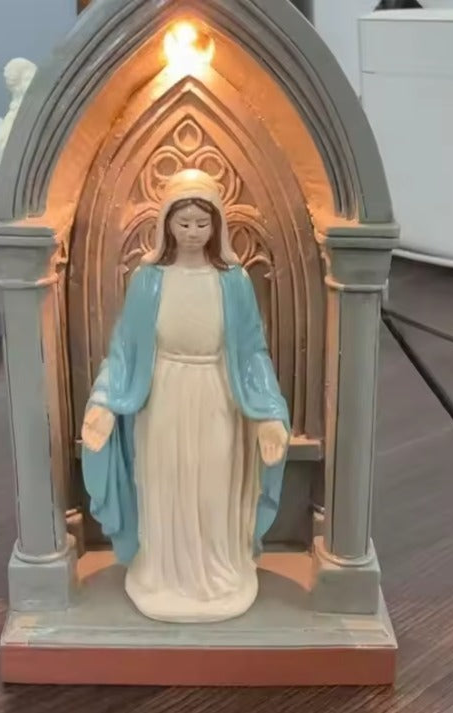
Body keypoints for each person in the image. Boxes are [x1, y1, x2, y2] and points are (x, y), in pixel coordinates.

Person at [82, 169, 289, 623]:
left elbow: (252, 351)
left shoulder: (233, 281)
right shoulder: (148, 280)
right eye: (184, 223)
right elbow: (124, 348)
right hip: (163, 397)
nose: (193, 232)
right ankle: (164, 574)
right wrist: (103, 401)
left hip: (217, 392)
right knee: (167, 484)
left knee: (212, 486)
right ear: (167, 225)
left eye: (201, 223)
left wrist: (269, 413)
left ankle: (216, 572)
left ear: (216, 225)